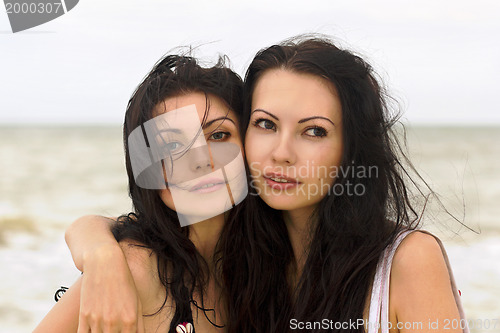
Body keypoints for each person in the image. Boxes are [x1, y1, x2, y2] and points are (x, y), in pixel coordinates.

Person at [63, 36, 469, 333]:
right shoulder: (249, 271)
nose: (281, 153)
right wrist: (101, 253)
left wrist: (99, 249)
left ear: (352, 149)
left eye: (314, 131)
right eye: (266, 124)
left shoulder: (406, 262)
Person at [34, 53, 246, 333]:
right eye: (172, 146)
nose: (200, 160)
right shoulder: (133, 269)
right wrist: (103, 255)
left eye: (218, 135)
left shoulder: (270, 265)